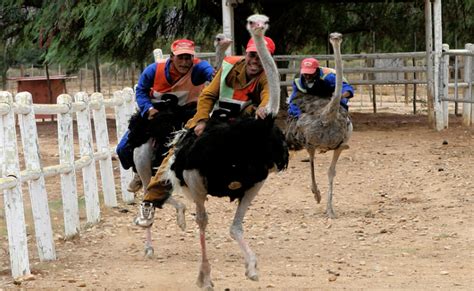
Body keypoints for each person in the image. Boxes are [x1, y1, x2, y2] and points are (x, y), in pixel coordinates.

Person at [134, 36, 277, 227]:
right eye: (253, 55)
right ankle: (151, 199)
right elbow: (209, 93)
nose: (255, 61)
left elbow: (269, 96)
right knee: (178, 151)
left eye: (261, 57)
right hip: (216, 120)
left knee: (270, 154)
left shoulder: (268, 76)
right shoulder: (229, 66)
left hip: (245, 125)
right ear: (246, 54)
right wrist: (201, 119)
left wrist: (265, 107)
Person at [116, 39, 214, 192]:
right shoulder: (153, 70)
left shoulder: (199, 68)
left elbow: (213, 75)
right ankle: (138, 172)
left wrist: (216, 75)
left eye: (188, 58)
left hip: (187, 114)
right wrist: (148, 109)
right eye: (180, 57)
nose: (184, 62)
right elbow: (141, 91)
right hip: (157, 115)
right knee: (123, 148)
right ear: (171, 57)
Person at [287, 57, 354, 119]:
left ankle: (344, 122)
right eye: (305, 73)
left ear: (316, 71)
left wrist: (340, 96)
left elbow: (346, 87)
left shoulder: (328, 77)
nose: (307, 76)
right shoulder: (298, 81)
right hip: (310, 96)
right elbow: (293, 99)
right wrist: (299, 116)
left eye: (310, 74)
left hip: (329, 93)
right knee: (293, 108)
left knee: (340, 108)